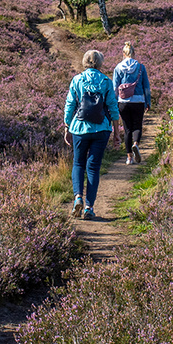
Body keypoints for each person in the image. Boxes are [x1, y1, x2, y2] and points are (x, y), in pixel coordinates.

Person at [63, 48, 116, 219]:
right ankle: (88, 208)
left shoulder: (77, 80)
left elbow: (70, 104)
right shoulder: (106, 81)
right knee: (93, 167)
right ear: (100, 63)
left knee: (78, 163)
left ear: (85, 62)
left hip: (79, 128)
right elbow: (113, 107)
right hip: (101, 129)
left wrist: (67, 126)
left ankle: (78, 197)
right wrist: (116, 132)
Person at [110, 42, 152, 165]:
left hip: (123, 102)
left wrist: (113, 104)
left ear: (123, 54)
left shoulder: (118, 68)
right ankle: (136, 144)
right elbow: (146, 86)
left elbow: (115, 88)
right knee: (137, 126)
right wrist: (148, 101)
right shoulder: (140, 67)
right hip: (138, 101)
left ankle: (129, 158)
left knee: (127, 129)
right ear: (134, 53)